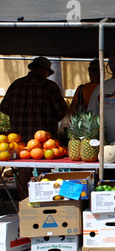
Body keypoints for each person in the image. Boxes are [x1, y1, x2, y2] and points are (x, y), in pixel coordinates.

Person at [0, 56, 68, 200]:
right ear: (44, 71)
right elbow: (62, 111)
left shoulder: (16, 85)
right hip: (45, 142)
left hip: (19, 141)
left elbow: (4, 108)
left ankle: (24, 204)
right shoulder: (50, 87)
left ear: (32, 68)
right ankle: (43, 204)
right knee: (45, 173)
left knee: (23, 172)